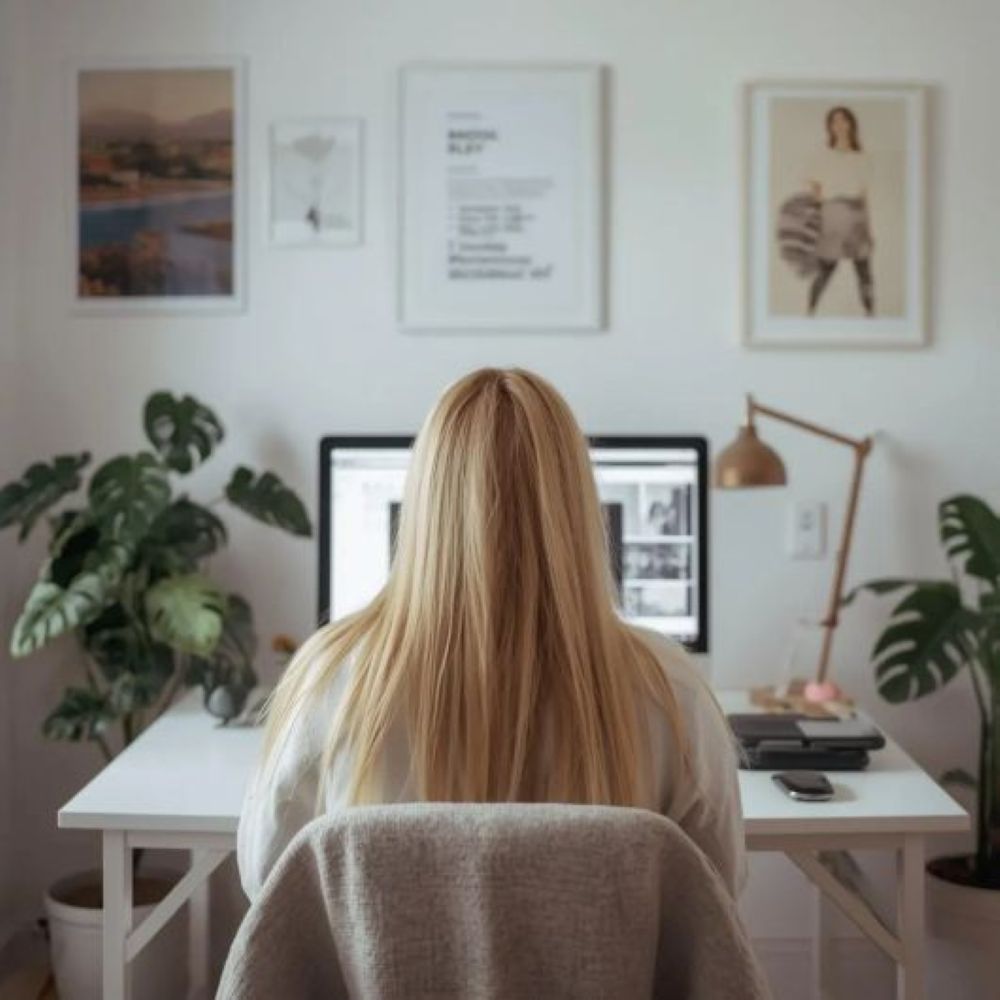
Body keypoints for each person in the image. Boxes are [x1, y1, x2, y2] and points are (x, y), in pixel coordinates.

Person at [237, 368, 746, 900]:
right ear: (576, 504)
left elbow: (267, 886)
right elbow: (718, 899)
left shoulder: (331, 679)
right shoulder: (670, 690)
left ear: (425, 500)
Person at [805, 105, 875, 316]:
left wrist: (868, 229)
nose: (839, 125)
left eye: (844, 120)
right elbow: (816, 192)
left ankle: (872, 316)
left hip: (856, 217)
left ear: (851, 124)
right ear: (829, 127)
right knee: (825, 271)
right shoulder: (822, 156)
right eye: (834, 121)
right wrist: (819, 222)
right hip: (832, 216)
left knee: (864, 272)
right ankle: (809, 313)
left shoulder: (862, 157)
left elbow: (864, 195)